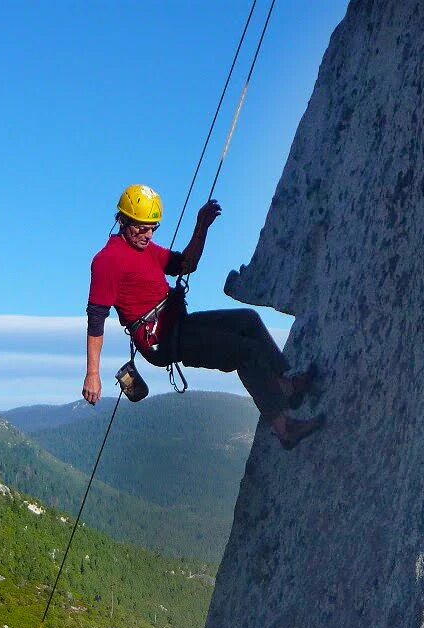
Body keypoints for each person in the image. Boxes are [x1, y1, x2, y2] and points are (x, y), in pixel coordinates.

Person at [82, 184, 324, 450]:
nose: (148, 234)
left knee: (248, 320)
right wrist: (93, 373)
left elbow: (186, 264)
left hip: (177, 323)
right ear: (122, 220)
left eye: (153, 227)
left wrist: (202, 227)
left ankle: (287, 387)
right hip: (161, 340)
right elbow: (96, 320)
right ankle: (284, 428)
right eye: (141, 227)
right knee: (244, 352)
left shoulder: (145, 249)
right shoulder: (107, 261)